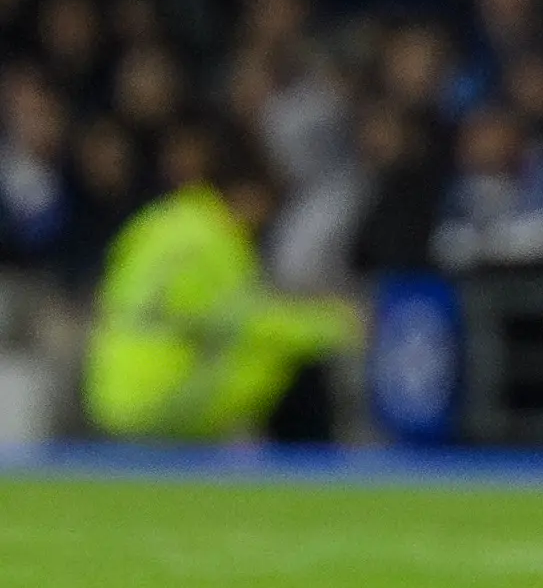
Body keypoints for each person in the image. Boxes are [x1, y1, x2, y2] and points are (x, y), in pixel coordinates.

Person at [82, 124, 356, 445]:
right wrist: (336, 326)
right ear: (247, 194)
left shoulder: (158, 220)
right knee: (284, 358)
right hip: (160, 394)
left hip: (109, 387)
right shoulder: (215, 238)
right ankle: (307, 472)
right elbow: (245, 323)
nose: (265, 218)